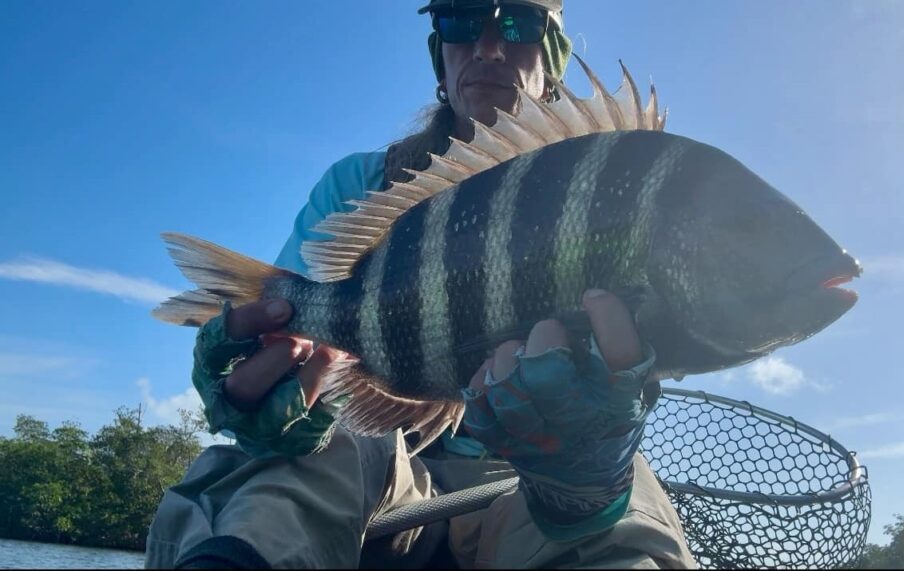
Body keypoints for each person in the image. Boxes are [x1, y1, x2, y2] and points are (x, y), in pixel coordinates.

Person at [145, 1, 697, 568]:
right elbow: (299, 364)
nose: (488, 46)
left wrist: (589, 472)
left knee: (626, 508)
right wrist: (269, 405)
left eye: (519, 24)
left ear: (553, 56)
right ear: (440, 56)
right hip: (381, 467)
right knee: (300, 470)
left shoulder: (622, 192)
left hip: (535, 481)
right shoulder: (359, 184)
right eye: (460, 20)